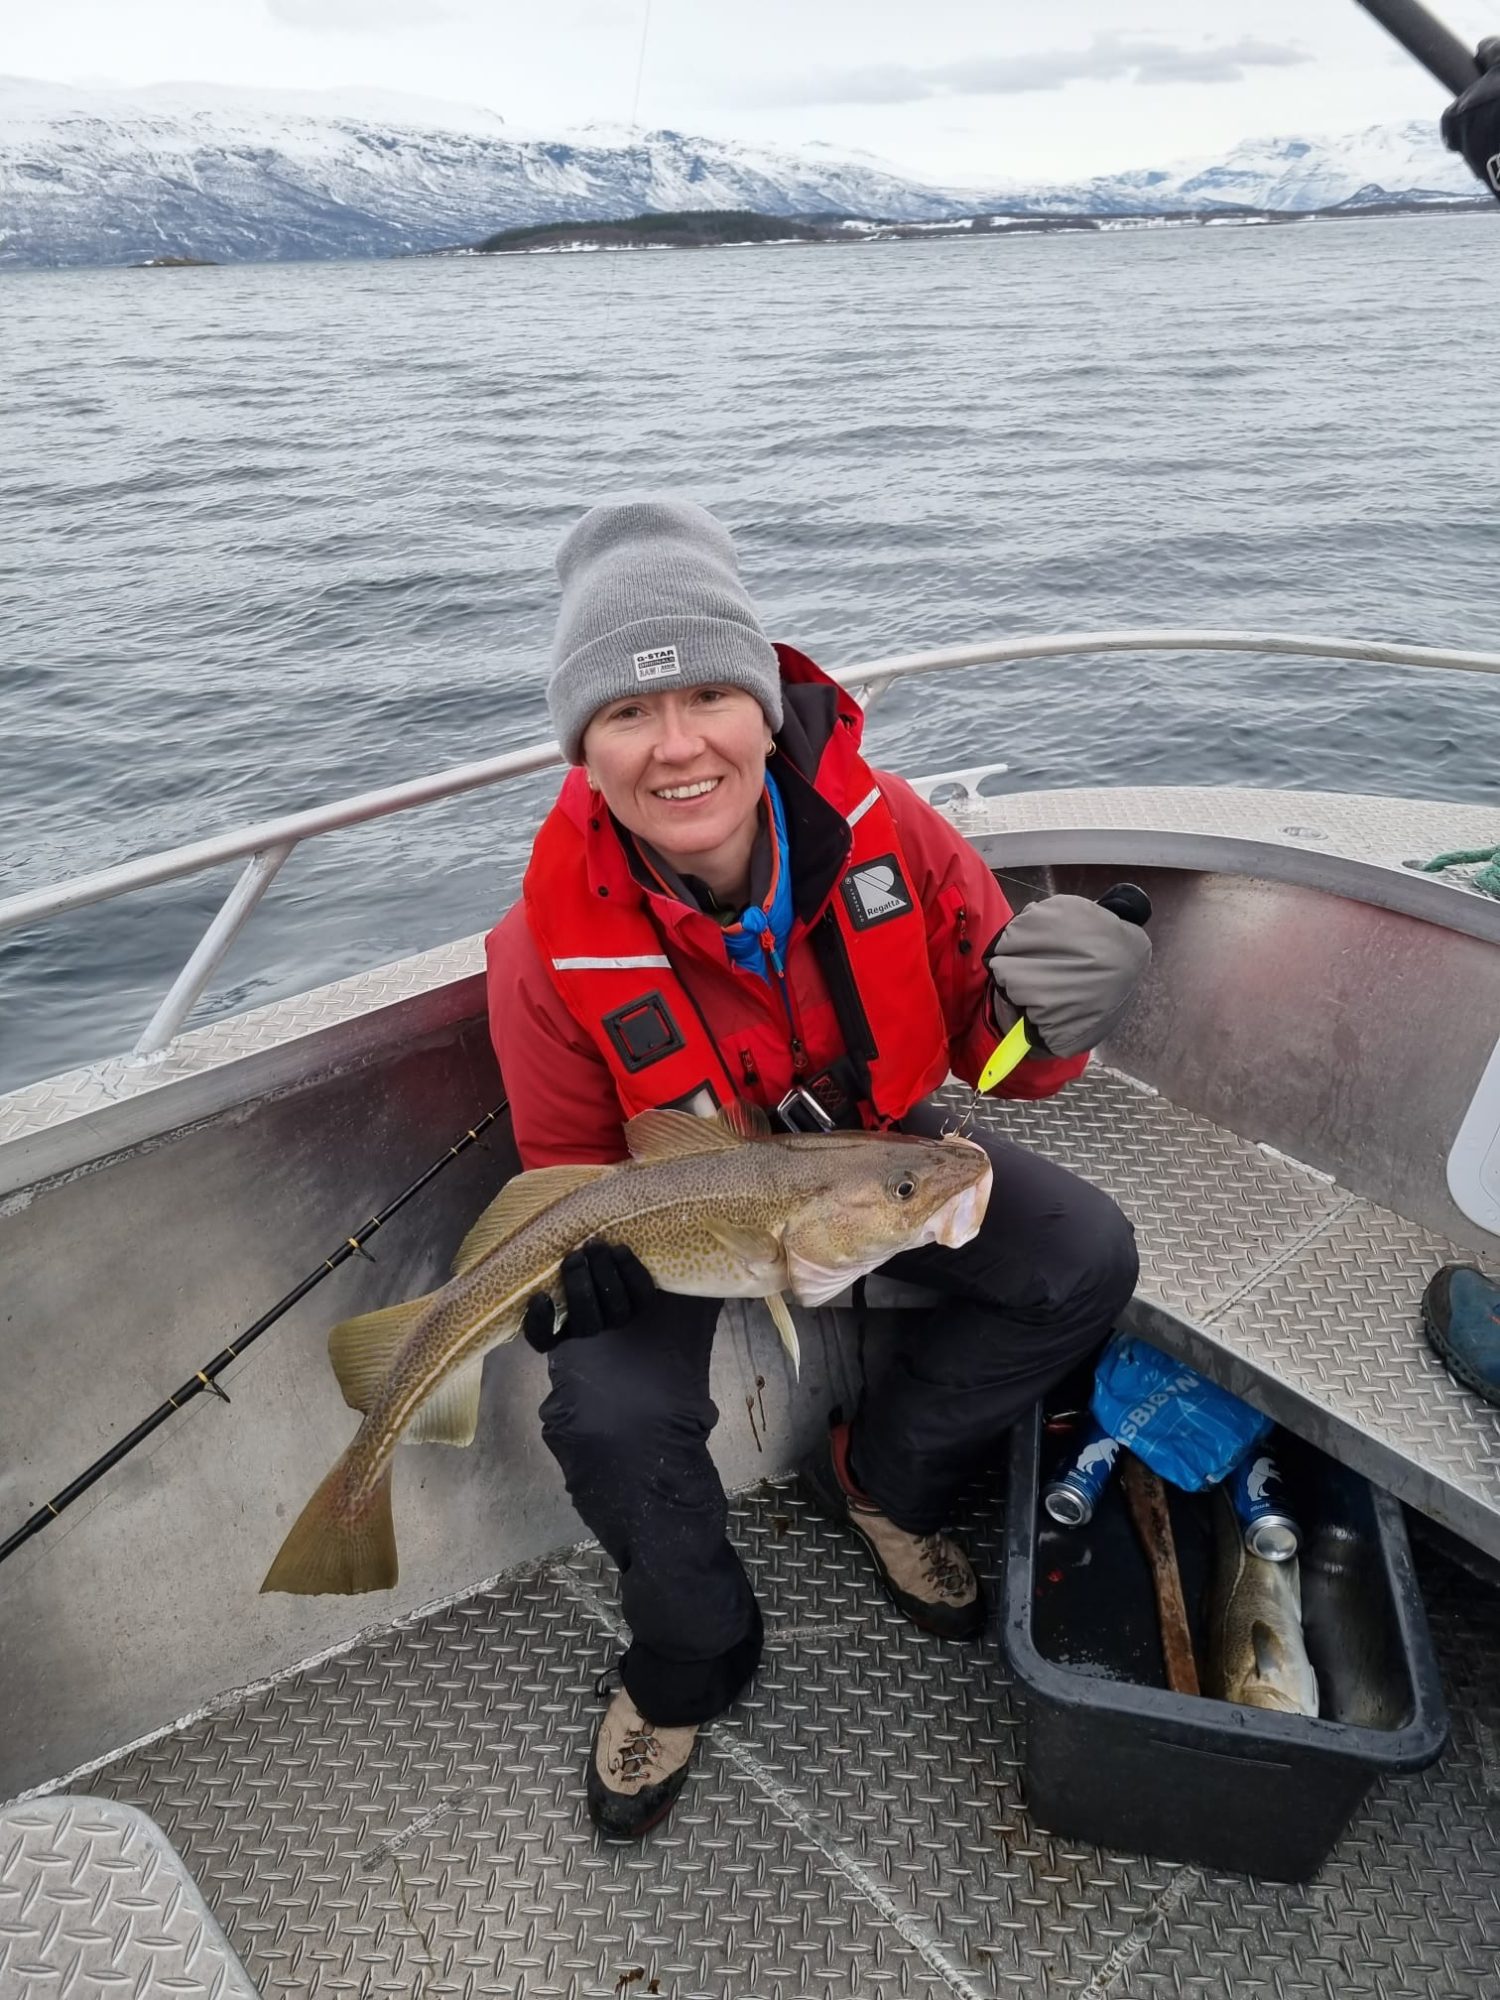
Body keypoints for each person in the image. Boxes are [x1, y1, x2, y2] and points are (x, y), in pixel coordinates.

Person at [486, 498, 1150, 1840]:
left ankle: (885, 1478)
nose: (677, 746)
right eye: (626, 713)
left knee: (1085, 1256)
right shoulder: (544, 946)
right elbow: (566, 1165)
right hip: (680, 1217)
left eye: (712, 694)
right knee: (602, 1409)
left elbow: (998, 1052)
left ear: (766, 702)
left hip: (870, 1168)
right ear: (583, 745)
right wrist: (574, 1277)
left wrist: (1062, 1013)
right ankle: (689, 1652)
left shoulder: (892, 833)